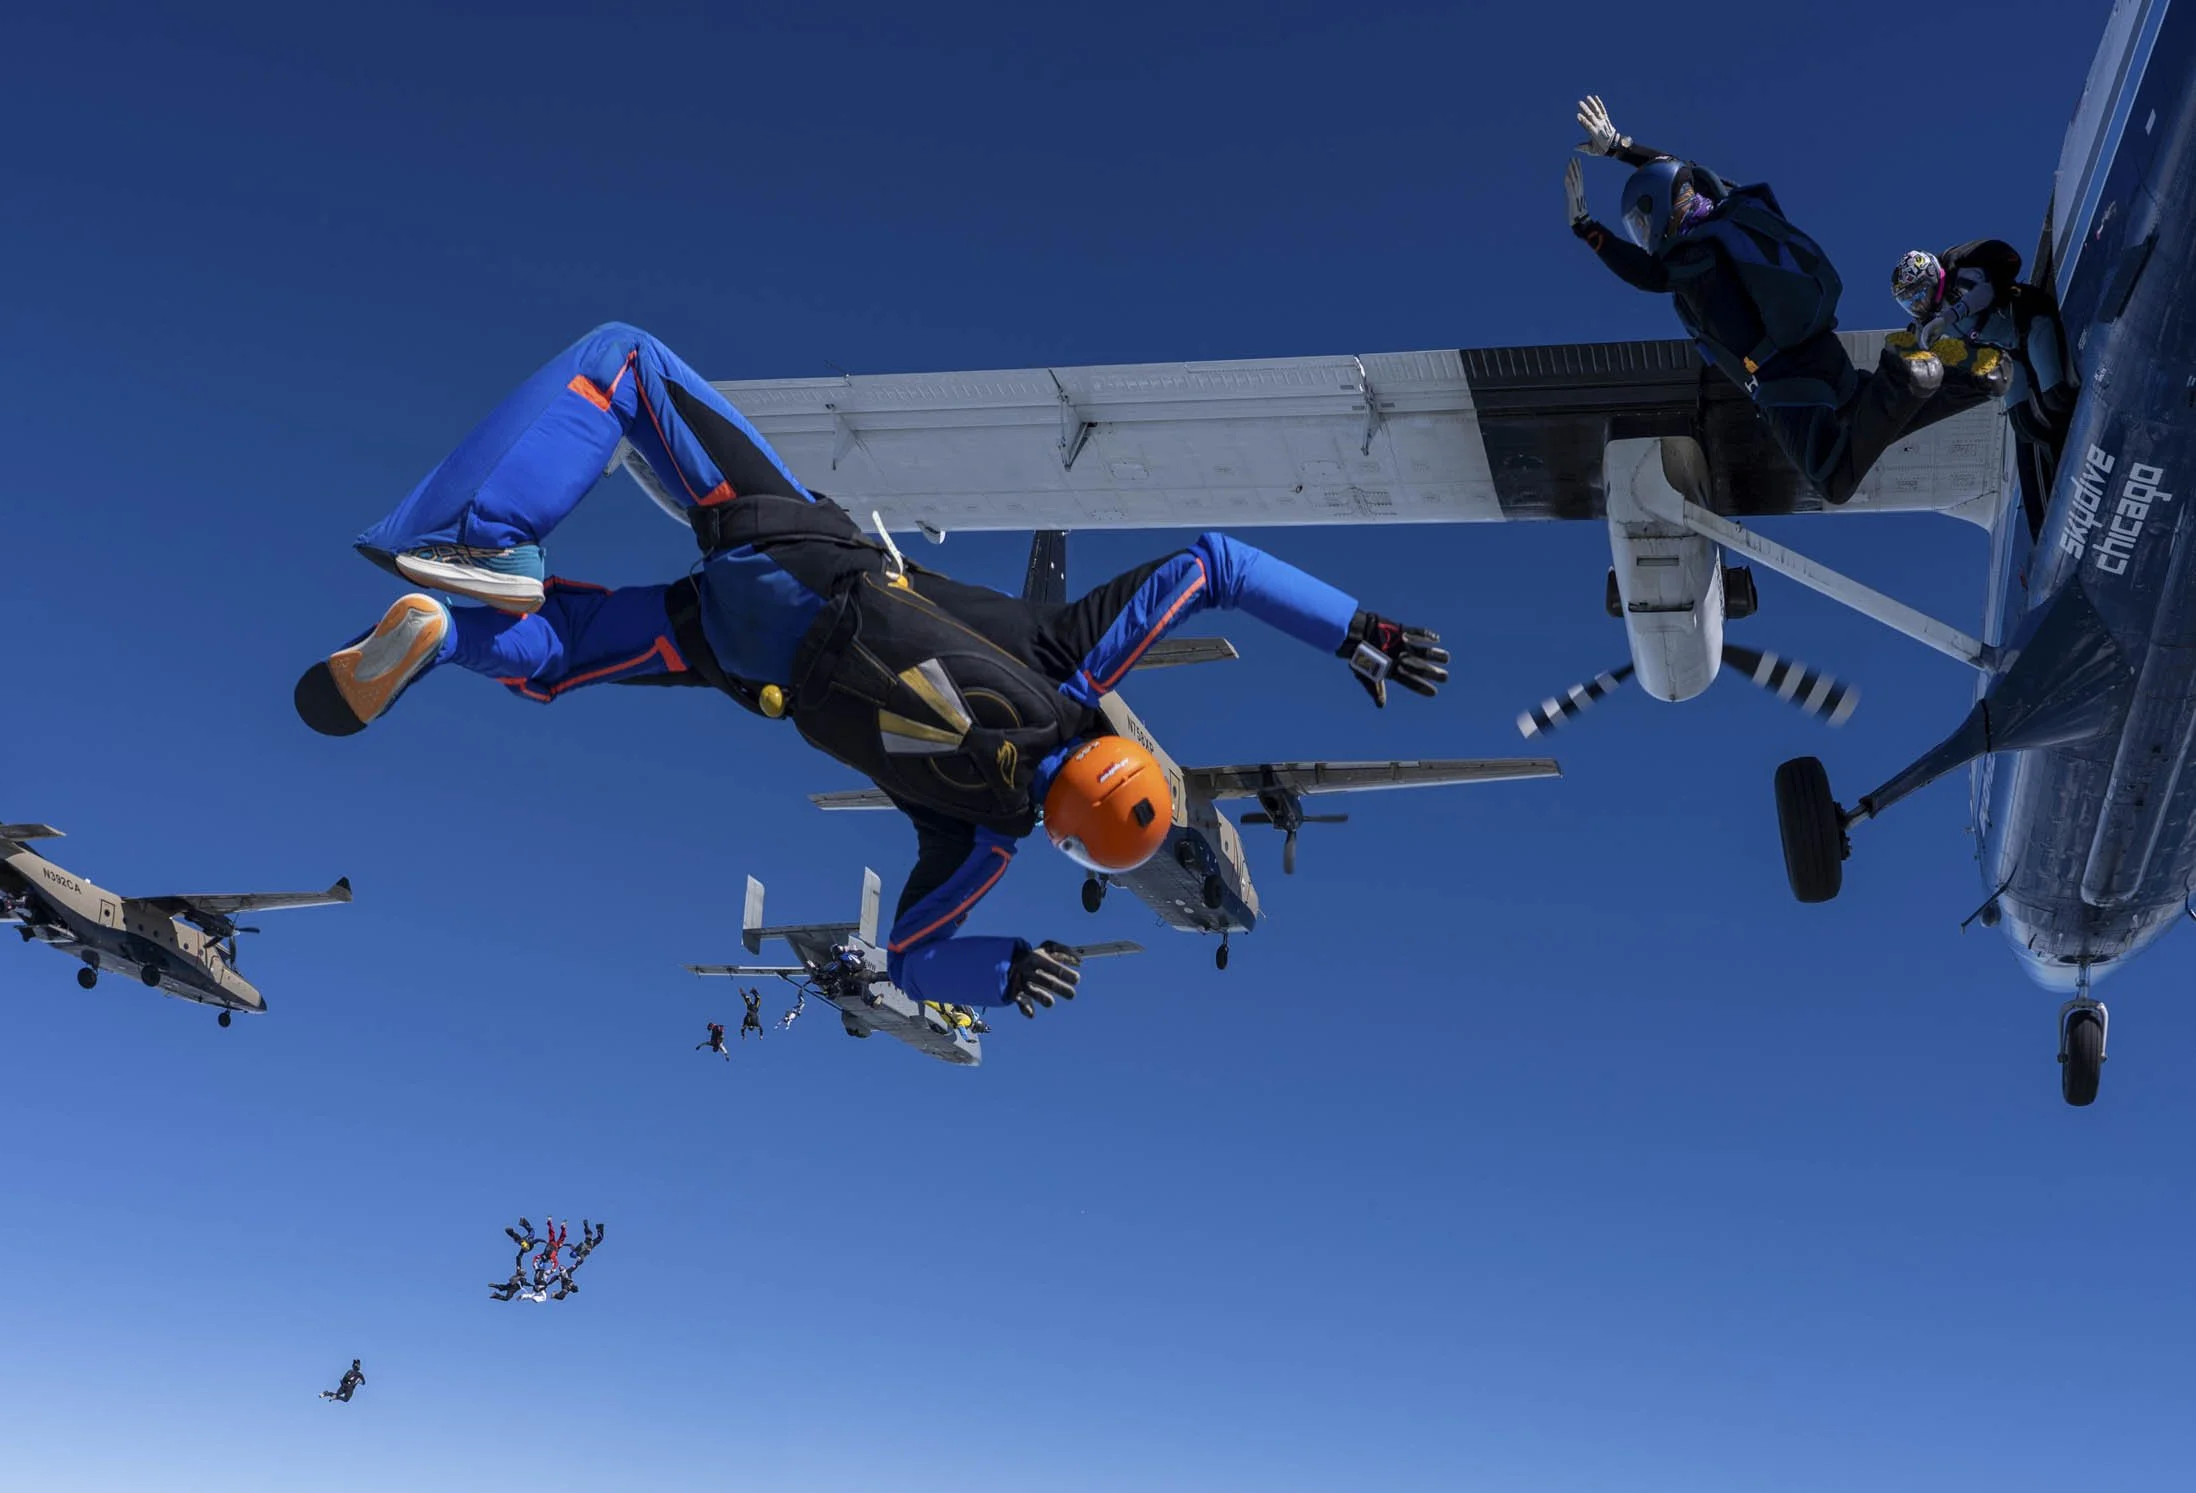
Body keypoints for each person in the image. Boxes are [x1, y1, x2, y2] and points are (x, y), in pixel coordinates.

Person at [296, 323, 1448, 1019]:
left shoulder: (1071, 661)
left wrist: (1364, 632)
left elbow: (1219, 561)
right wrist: (1002, 974)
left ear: (1117, 745)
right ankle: (446, 640)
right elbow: (906, 958)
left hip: (801, 559)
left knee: (624, 365)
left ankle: (473, 532)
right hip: (752, 663)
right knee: (556, 657)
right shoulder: (983, 842)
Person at [1563, 96, 1994, 506]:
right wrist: (1622, 148)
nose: (1643, 234)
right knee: (1877, 421)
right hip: (1822, 353)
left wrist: (1587, 229)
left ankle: (1904, 374)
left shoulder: (1690, 256)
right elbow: (1687, 170)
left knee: (1833, 479)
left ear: (1659, 209)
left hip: (1784, 383)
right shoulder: (1728, 211)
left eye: (1641, 221)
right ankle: (1978, 374)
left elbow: (1648, 274)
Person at [1890, 241, 2077, 515]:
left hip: (2030, 323)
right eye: (1910, 301)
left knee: (2056, 398)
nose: (1918, 303)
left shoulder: (1959, 280)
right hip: (2011, 354)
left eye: (1919, 293)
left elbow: (1985, 292)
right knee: (2025, 426)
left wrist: (1951, 315)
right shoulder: (1930, 325)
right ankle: (2063, 467)